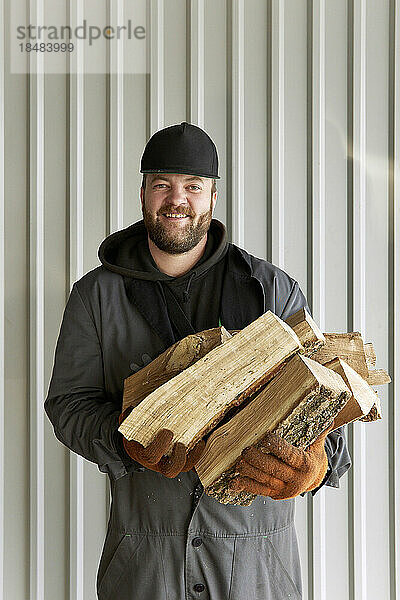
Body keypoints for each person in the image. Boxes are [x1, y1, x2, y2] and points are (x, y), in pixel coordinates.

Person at [45, 121, 351, 600]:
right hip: (146, 565)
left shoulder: (272, 290)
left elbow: (326, 406)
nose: (177, 199)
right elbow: (69, 405)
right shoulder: (94, 297)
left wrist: (314, 464)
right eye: (162, 185)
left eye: (193, 186)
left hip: (256, 567)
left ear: (213, 197)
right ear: (143, 192)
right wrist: (125, 441)